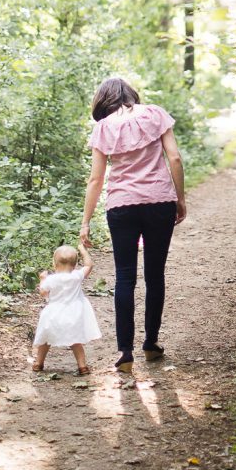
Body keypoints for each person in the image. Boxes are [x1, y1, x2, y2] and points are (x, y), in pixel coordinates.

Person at [80, 77, 186, 375]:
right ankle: (151, 344)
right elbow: (174, 158)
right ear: (132, 95)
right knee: (155, 274)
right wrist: (180, 198)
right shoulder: (155, 114)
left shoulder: (103, 127)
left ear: (103, 100)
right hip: (159, 202)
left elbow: (96, 179)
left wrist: (85, 222)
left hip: (121, 206)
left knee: (124, 277)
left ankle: (125, 352)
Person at [32, 242, 101, 374]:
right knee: (76, 341)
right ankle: (82, 366)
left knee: (45, 340)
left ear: (54, 264)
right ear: (75, 265)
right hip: (73, 315)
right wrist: (82, 249)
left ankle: (38, 363)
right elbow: (89, 265)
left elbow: (43, 293)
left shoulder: (51, 279)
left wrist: (42, 279)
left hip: (53, 314)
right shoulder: (76, 276)